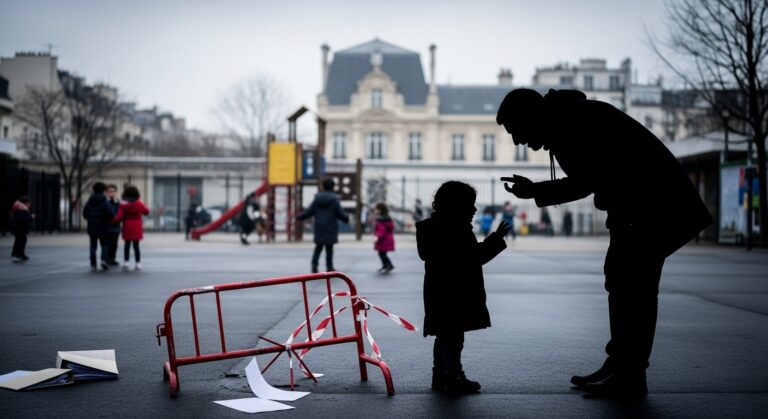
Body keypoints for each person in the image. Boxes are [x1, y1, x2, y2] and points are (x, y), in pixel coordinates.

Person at [497, 88, 712, 399]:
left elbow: (587, 181)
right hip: (650, 208)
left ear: (530, 117)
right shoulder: (572, 118)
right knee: (626, 284)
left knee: (632, 288)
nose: (518, 141)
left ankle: (629, 375)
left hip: (653, 210)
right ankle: (621, 366)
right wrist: (537, 190)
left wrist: (536, 191)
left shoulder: (574, 123)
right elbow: (593, 178)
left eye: (516, 130)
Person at [416, 181, 510, 395]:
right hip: (456, 292)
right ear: (456, 205)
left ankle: (440, 375)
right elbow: (474, 257)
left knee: (444, 335)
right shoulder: (456, 230)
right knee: (454, 337)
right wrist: (496, 239)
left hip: (437, 291)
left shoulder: (431, 228)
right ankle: (453, 376)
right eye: (470, 204)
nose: (474, 209)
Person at [297, 178, 349, 273]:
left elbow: (309, 211)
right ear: (333, 187)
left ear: (322, 186)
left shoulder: (317, 199)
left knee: (318, 247)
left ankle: (314, 266)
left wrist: (299, 217)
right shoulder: (334, 200)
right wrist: (346, 218)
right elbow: (340, 213)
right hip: (331, 227)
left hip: (319, 227)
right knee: (329, 248)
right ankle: (329, 267)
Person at [113, 185, 149, 271]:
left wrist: (112, 221)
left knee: (127, 245)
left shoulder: (123, 204)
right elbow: (146, 211)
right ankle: (138, 263)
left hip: (127, 225)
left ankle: (126, 262)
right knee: (136, 246)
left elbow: (119, 216)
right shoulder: (139, 203)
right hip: (137, 226)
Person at [82, 182, 112, 271]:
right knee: (105, 245)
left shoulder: (89, 201)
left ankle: (93, 264)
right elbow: (110, 213)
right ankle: (103, 260)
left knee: (93, 246)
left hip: (92, 226)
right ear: (103, 190)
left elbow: (85, 214)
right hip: (104, 226)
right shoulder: (105, 201)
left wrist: (91, 218)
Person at [373, 202, 395, 274]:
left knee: (382, 254)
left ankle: (389, 265)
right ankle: (385, 265)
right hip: (387, 239)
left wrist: (377, 237)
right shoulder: (387, 218)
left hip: (383, 240)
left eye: (376, 209)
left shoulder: (380, 219)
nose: (374, 211)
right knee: (382, 253)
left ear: (380, 210)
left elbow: (381, 230)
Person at [10, 196, 33, 263]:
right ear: (25, 203)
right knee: (19, 241)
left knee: (21, 241)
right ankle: (16, 254)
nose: (30, 205)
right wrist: (30, 217)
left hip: (20, 229)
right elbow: (22, 218)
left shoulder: (21, 208)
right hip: (19, 229)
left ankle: (20, 254)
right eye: (29, 203)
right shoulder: (20, 209)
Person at [105, 184, 121, 266]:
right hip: (107, 227)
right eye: (110, 192)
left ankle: (112, 258)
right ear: (106, 193)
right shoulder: (105, 202)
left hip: (116, 227)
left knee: (114, 244)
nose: (112, 194)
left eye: (114, 192)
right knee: (107, 244)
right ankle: (106, 258)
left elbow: (120, 212)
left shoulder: (118, 202)